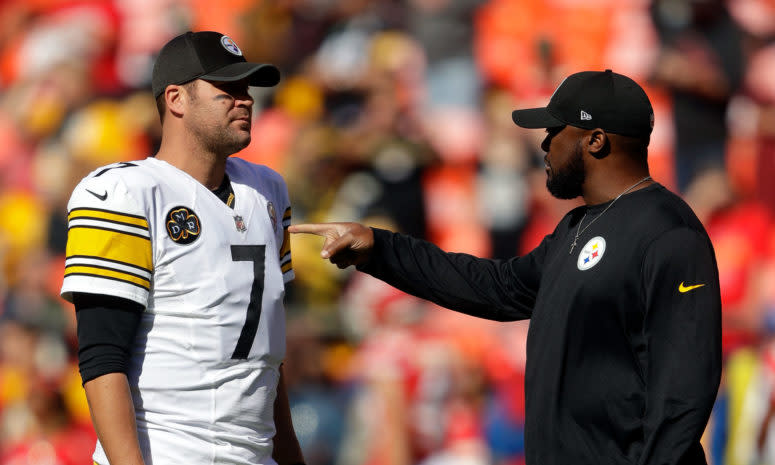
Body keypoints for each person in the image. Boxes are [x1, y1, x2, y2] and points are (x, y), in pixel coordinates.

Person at [291, 70, 722, 465]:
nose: (544, 143)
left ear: (595, 141)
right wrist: (379, 249)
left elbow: (684, 388)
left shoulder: (668, 233)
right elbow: (494, 287)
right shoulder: (577, 227)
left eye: (555, 130)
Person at [60, 31, 304, 465]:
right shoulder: (125, 191)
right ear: (176, 99)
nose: (244, 100)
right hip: (169, 453)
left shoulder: (267, 191)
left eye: (246, 89)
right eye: (227, 89)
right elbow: (102, 356)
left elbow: (266, 356)